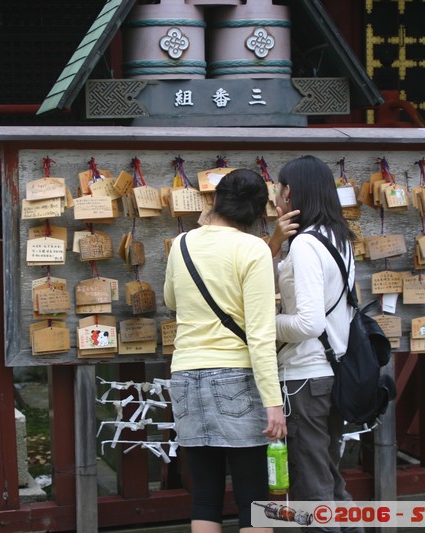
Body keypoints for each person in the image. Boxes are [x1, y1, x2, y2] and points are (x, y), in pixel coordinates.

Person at [165, 169, 287, 533]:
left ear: (215, 200)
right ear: (255, 212)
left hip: (185, 375)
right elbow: (261, 335)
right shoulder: (253, 249)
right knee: (253, 495)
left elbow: (172, 300)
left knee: (205, 494)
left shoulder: (182, 243)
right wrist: (273, 402)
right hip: (235, 374)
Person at [268, 155, 363, 533]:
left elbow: (308, 322)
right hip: (330, 372)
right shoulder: (338, 238)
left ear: (290, 191)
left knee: (311, 486)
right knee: (328, 476)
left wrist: (260, 326)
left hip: (307, 376)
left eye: (278, 187)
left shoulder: (307, 245)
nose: (276, 195)